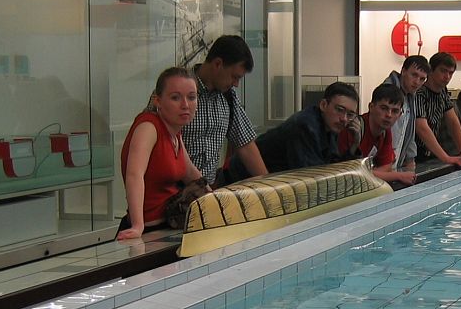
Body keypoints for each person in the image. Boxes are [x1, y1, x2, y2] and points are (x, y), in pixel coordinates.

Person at [117, 66, 208, 241]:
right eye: (175, 98)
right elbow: (134, 175)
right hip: (147, 231)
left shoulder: (174, 131)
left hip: (169, 227)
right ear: (158, 101)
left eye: (191, 97)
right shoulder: (149, 127)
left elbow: (191, 173)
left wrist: (218, 202)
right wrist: (137, 226)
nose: (185, 105)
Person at [226, 81, 360, 180]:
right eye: (340, 110)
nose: (344, 119)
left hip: (270, 183)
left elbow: (334, 169)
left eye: (350, 114)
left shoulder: (330, 126)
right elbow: (312, 178)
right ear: (323, 105)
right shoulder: (305, 126)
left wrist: (354, 145)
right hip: (241, 179)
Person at [181, 35, 268, 185]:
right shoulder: (177, 89)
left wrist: (267, 183)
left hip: (206, 190)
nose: (236, 84)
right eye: (234, 77)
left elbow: (245, 144)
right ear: (218, 64)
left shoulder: (228, 97)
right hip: (173, 191)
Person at [339, 82, 417, 187]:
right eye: (384, 108)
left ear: (400, 115)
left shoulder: (385, 131)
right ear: (371, 107)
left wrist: (369, 173)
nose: (389, 115)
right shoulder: (353, 129)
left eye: (395, 111)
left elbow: (387, 165)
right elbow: (350, 173)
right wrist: (398, 176)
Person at [412, 51, 461, 168]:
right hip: (415, 155)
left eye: (450, 73)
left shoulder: (442, 91)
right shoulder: (419, 93)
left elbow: (452, 121)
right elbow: (421, 127)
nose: (447, 76)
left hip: (431, 154)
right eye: (443, 71)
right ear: (431, 70)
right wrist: (445, 157)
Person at [386, 54, 429, 178]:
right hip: (382, 163)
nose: (417, 82)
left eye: (422, 79)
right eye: (414, 75)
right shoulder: (388, 91)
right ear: (403, 71)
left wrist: (410, 158)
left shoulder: (410, 96)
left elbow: (409, 130)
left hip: (397, 162)